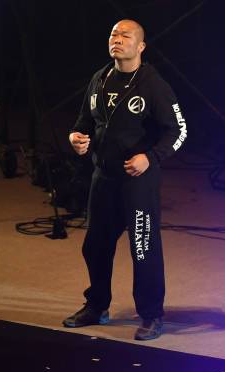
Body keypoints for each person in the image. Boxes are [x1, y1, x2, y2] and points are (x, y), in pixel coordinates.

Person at [64, 19, 188, 340]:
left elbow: (179, 130)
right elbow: (83, 121)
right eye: (113, 34)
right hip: (104, 179)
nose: (117, 39)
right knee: (95, 246)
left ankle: (150, 314)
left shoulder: (152, 84)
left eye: (125, 35)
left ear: (140, 46)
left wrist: (151, 157)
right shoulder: (100, 78)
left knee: (143, 248)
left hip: (138, 183)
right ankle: (97, 306)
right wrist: (76, 137)